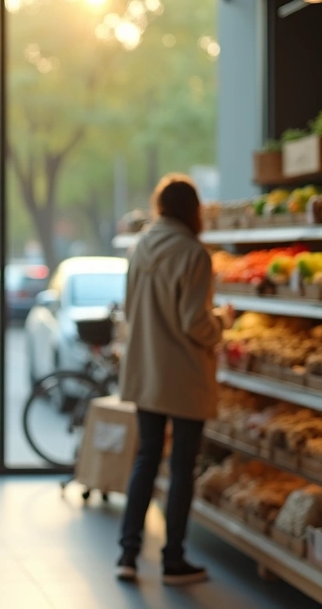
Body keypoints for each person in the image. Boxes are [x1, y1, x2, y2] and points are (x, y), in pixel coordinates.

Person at [116, 174, 235, 586]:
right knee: (182, 466)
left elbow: (131, 309)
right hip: (184, 375)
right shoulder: (194, 253)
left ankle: (128, 554)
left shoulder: (141, 246)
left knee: (146, 457)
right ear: (193, 210)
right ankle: (173, 560)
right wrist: (223, 321)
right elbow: (195, 323)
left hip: (146, 369)